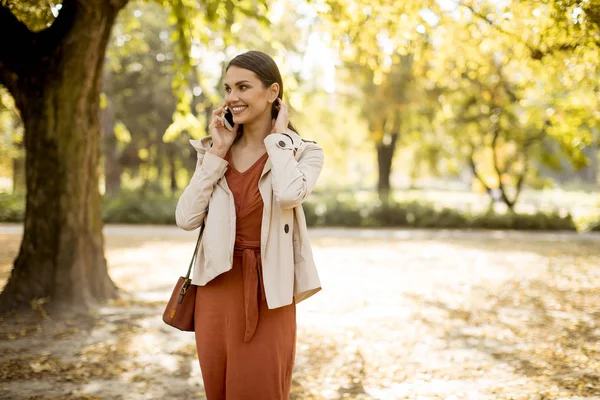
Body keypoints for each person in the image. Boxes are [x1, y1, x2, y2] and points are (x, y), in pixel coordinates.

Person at [175, 50, 325, 400]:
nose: (232, 98)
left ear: (273, 92)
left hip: (269, 290)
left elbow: (289, 195)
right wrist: (218, 151)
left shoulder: (303, 152)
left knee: (261, 389)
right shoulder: (214, 151)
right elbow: (185, 218)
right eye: (228, 88)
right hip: (215, 286)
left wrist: (278, 140)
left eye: (243, 87)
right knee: (219, 391)